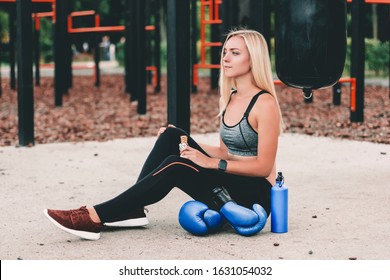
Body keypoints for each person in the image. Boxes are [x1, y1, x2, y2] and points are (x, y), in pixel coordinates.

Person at [44, 29, 284, 240]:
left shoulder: (264, 104)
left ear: (253, 59)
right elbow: (224, 151)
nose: (225, 58)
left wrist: (211, 163)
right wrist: (189, 143)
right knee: (172, 135)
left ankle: (96, 217)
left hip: (253, 195)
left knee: (176, 165)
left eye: (235, 53)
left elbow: (263, 167)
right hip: (229, 180)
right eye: (224, 52)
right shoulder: (229, 97)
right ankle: (133, 209)